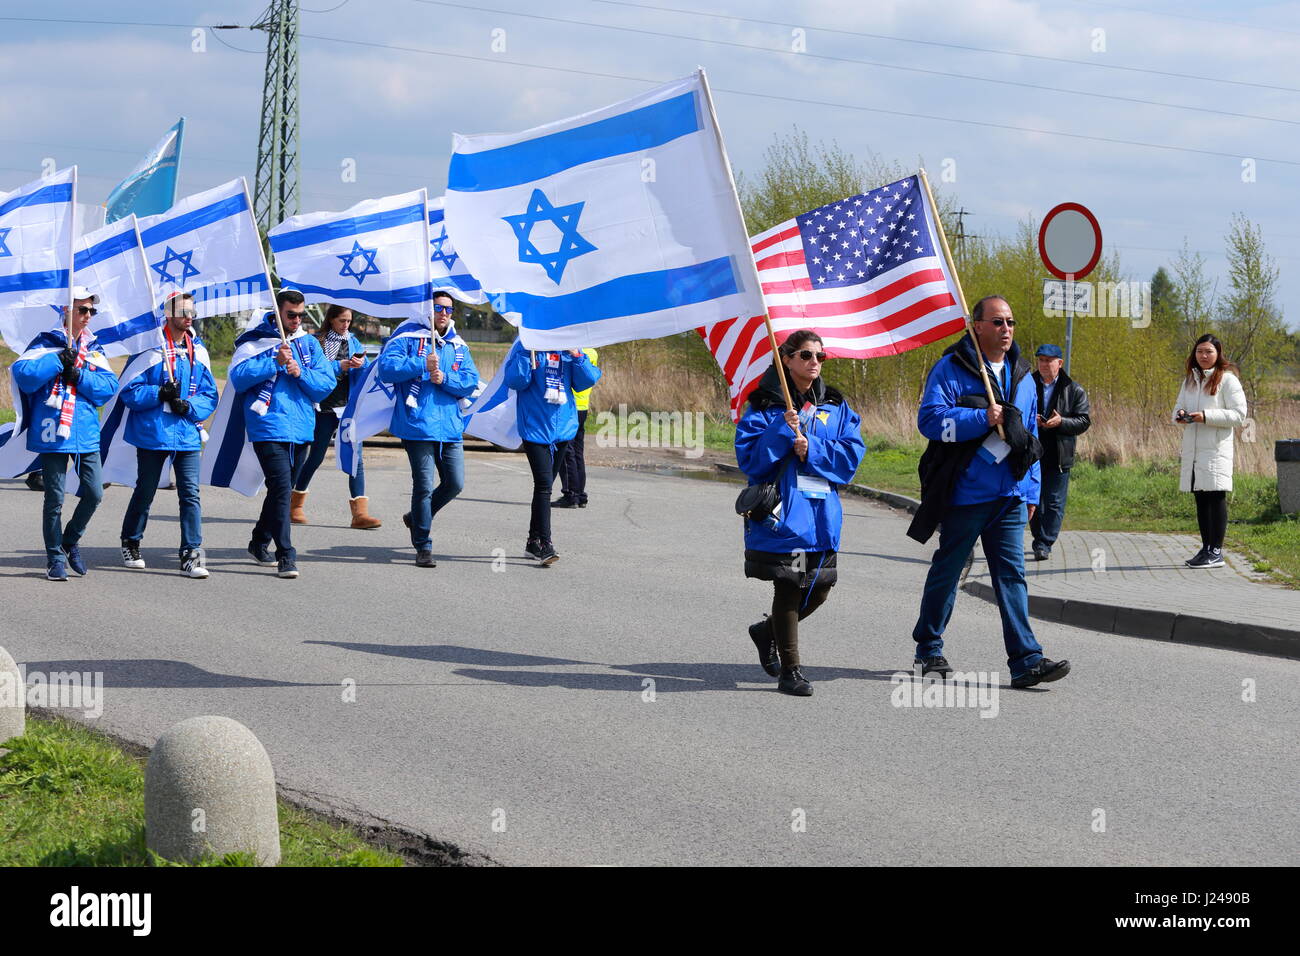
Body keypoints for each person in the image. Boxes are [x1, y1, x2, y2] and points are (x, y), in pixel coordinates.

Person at [906, 295, 1071, 689]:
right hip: (966, 493)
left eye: (1010, 322)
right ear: (976, 326)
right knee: (949, 571)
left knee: (1012, 575)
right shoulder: (952, 368)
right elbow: (930, 422)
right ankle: (928, 647)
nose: (1006, 329)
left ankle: (1026, 660)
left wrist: (1031, 493)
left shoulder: (1026, 377)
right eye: (997, 322)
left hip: (1010, 495)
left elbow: (1030, 439)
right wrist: (980, 417)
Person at [735, 331, 864, 697]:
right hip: (784, 514)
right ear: (787, 359)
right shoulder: (762, 406)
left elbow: (852, 456)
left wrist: (813, 449)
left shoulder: (837, 406)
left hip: (822, 514)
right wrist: (781, 429)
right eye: (806, 355)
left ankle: (767, 631)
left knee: (820, 588)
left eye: (820, 357)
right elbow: (751, 460)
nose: (814, 363)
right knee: (790, 586)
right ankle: (790, 671)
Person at [10, 287, 119, 581]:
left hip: (84, 431)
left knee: (94, 493)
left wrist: (79, 375)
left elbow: (108, 387)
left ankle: (69, 541)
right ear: (65, 311)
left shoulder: (94, 347)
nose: (87, 316)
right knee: (54, 497)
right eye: (82, 310)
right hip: (53, 431)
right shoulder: (46, 342)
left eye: (91, 311)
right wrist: (59, 360)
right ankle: (54, 557)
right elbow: (24, 375)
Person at [229, 289, 336, 579]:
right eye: (291, 314)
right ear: (278, 312)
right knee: (280, 487)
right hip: (267, 424)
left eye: (301, 315)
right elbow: (238, 379)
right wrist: (273, 362)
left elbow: (325, 385)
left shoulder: (309, 344)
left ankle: (258, 541)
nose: (297, 320)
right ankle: (286, 553)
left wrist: (300, 371)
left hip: (301, 426)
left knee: (283, 489)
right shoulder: (256, 341)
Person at [118, 292, 220, 577]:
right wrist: (158, 393)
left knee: (190, 494)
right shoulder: (149, 349)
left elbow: (209, 394)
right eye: (184, 311)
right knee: (146, 490)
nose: (190, 317)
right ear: (169, 313)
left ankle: (191, 552)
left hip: (186, 433)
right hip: (153, 433)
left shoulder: (197, 351)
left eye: (193, 312)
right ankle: (131, 540)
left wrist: (189, 406)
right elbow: (129, 392)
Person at [379, 292, 479, 567]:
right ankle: (423, 544)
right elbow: (386, 369)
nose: (444, 312)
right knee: (423, 486)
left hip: (449, 425)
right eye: (438, 307)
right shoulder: (408, 336)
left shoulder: (457, 344)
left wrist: (445, 378)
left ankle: (415, 517)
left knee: (455, 483)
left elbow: (471, 380)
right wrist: (420, 364)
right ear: (427, 310)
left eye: (448, 308)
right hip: (417, 424)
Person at [504, 340, 601, 566]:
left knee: (544, 487)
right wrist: (527, 354)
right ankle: (546, 545)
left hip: (563, 429)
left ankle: (532, 541)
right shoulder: (526, 345)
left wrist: (576, 354)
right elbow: (516, 381)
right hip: (535, 428)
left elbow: (586, 381)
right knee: (544, 485)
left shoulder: (568, 346)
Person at [289, 304, 381, 530]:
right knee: (316, 456)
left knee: (355, 457)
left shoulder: (353, 342)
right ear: (331, 319)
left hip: (347, 408)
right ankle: (294, 504)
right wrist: (338, 366)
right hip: (324, 407)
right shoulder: (316, 341)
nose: (346, 325)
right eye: (342, 321)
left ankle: (360, 513)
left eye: (349, 321)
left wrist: (359, 366)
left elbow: (365, 374)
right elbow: (311, 370)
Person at [1173, 334, 1247, 569]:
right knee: (1201, 499)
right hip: (1193, 450)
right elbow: (1177, 408)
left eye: (1209, 352)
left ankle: (1216, 551)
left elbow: (1239, 415)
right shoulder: (1190, 381)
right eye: (1199, 352)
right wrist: (1181, 416)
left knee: (1215, 498)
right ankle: (1205, 548)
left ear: (1218, 354)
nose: (1203, 356)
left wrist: (1206, 416)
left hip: (1215, 450)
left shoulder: (1228, 380)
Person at [1029, 343, 1091, 561]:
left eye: (1049, 360)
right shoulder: (1027, 383)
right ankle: (1038, 538)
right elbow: (1014, 410)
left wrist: (1061, 422)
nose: (1044, 364)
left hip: (1059, 452)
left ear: (1060, 363)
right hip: (1032, 451)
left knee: (1054, 501)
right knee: (1034, 498)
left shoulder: (1073, 389)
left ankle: (1045, 543)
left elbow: (1083, 421)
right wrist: (1030, 420)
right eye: (1041, 360)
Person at [554, 347, 599, 509]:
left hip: (570, 407)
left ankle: (571, 494)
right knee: (578, 453)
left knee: (567, 452)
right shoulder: (592, 352)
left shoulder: (571, 352)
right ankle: (580, 494)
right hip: (583, 406)